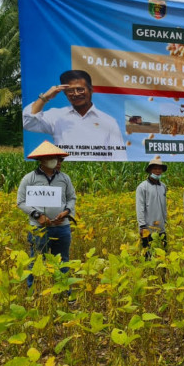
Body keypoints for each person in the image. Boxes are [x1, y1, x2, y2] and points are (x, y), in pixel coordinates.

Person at [23, 69, 126, 160]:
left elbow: (119, 156)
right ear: (65, 93)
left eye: (80, 89)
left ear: (91, 90)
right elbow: (27, 123)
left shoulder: (108, 121)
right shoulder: (56, 116)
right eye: (70, 90)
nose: (76, 94)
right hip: (64, 172)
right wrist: (45, 97)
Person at [17, 141, 76, 288]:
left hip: (62, 227)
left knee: (62, 261)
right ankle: (33, 292)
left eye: (59, 158)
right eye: (53, 158)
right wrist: (37, 216)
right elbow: (21, 202)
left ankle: (63, 293)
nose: (57, 161)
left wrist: (66, 212)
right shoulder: (29, 178)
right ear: (42, 160)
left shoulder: (64, 178)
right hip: (39, 228)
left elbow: (72, 198)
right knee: (36, 261)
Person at [136, 156, 168, 257]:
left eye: (159, 169)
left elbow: (163, 206)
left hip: (161, 227)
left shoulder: (163, 186)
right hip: (147, 228)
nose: (158, 171)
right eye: (155, 168)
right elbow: (140, 207)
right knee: (148, 256)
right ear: (150, 170)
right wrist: (142, 226)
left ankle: (162, 273)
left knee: (163, 256)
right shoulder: (142, 187)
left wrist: (165, 220)